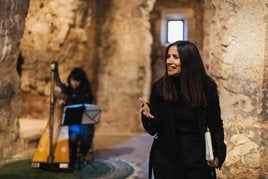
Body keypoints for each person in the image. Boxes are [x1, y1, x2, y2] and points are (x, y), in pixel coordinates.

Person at [138, 41, 226, 179]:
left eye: (175, 57)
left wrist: (218, 153)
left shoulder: (206, 87)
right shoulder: (160, 87)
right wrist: (148, 116)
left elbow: (215, 123)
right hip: (166, 159)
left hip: (197, 157)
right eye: (168, 56)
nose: (169, 61)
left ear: (189, 60)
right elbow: (153, 130)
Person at [54, 63, 95, 167]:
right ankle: (70, 156)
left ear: (81, 82)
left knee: (81, 134)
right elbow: (62, 98)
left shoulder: (86, 93)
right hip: (69, 123)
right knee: (71, 137)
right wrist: (62, 102)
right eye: (73, 79)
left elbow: (88, 108)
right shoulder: (67, 91)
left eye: (77, 81)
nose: (74, 83)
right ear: (70, 78)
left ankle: (79, 154)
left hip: (82, 123)